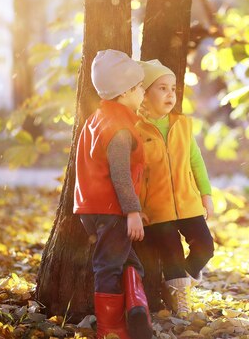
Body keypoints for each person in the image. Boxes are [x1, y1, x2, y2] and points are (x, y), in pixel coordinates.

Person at [73, 49, 153, 339]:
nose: (144, 91)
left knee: (128, 262)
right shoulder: (119, 129)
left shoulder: (97, 119)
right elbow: (119, 175)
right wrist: (132, 212)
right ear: (125, 92)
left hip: (92, 208)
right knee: (108, 266)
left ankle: (137, 313)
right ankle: (111, 330)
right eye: (140, 87)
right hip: (112, 210)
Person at [136, 59, 215, 315]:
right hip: (157, 210)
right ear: (144, 94)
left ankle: (180, 286)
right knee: (172, 253)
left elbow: (196, 161)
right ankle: (178, 300)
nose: (170, 94)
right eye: (162, 88)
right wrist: (135, 207)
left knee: (205, 246)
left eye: (172, 88)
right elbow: (133, 174)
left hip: (188, 201)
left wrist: (206, 194)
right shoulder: (136, 129)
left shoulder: (182, 124)